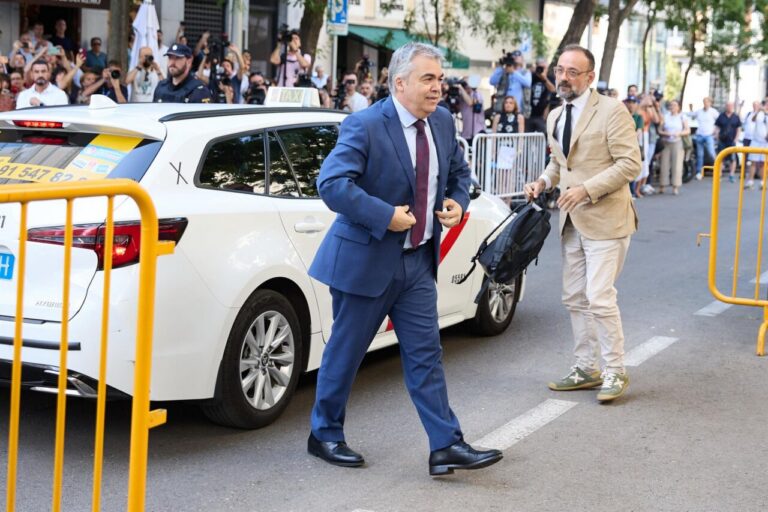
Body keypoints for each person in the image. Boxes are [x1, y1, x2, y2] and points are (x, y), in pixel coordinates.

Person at [307, 42, 502, 476]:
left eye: (440, 79)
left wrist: (457, 202)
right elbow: (332, 184)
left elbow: (459, 174)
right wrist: (385, 216)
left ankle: (445, 445)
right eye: (428, 79)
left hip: (417, 264)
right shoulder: (365, 125)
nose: (438, 87)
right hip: (366, 260)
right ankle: (324, 434)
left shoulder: (443, 122)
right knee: (346, 352)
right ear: (400, 83)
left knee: (426, 356)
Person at [524, 44, 641, 402]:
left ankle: (615, 370)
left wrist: (586, 190)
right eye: (560, 70)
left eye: (572, 72)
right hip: (571, 221)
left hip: (607, 219)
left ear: (590, 77)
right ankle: (586, 368)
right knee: (575, 298)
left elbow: (630, 164)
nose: (563, 77)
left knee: (599, 298)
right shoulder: (555, 116)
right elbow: (561, 164)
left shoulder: (612, 110)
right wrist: (543, 181)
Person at [657, 99, 690, 195]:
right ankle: (662, 185)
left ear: (678, 107)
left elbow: (687, 130)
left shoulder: (682, 117)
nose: (672, 107)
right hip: (666, 142)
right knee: (664, 164)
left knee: (677, 165)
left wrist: (679, 133)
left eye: (675, 105)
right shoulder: (666, 116)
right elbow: (659, 130)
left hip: (677, 142)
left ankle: (675, 186)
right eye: (671, 105)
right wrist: (665, 133)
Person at [689, 97, 719, 179]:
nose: (705, 104)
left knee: (712, 153)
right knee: (700, 155)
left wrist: (716, 131)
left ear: (710, 103)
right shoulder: (699, 111)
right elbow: (692, 115)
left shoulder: (713, 112)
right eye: (704, 102)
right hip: (700, 135)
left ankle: (717, 170)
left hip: (709, 135)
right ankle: (699, 172)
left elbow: (719, 121)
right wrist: (691, 108)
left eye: (707, 102)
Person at [714, 101, 742, 184]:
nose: (729, 107)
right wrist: (717, 136)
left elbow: (738, 129)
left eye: (730, 106)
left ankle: (731, 175)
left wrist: (736, 139)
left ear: (732, 107)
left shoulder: (736, 117)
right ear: (726, 106)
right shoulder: (721, 116)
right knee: (720, 158)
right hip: (722, 141)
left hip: (731, 141)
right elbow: (717, 127)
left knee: (733, 158)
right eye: (728, 106)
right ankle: (719, 175)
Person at [527, 58, 556, 134]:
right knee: (527, 138)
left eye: (544, 68)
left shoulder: (550, 78)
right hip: (529, 114)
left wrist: (544, 78)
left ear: (547, 68)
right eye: (540, 67)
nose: (541, 70)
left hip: (542, 116)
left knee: (543, 137)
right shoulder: (531, 77)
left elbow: (553, 90)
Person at [745, 100, 768, 189]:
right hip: (756, 141)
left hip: (765, 142)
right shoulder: (760, 113)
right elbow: (753, 120)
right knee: (753, 161)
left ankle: (762, 182)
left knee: (763, 163)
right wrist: (759, 111)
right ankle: (750, 181)